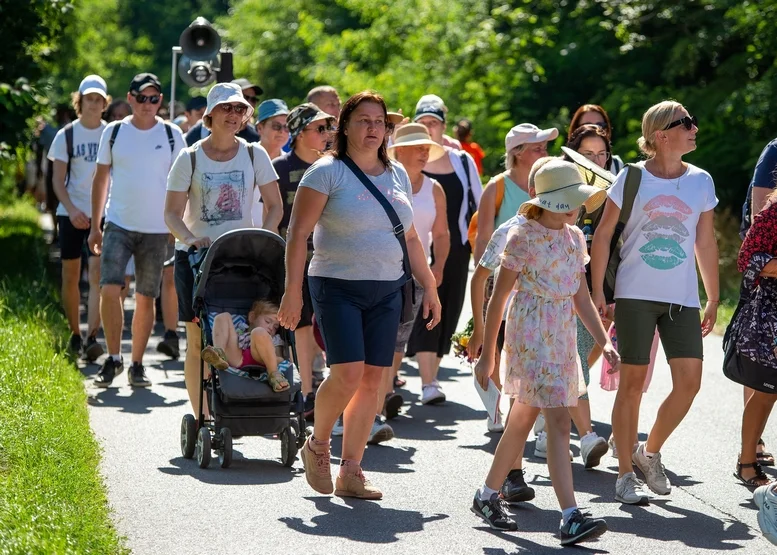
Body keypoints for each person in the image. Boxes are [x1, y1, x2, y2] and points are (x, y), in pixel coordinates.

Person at [278, 91, 441, 500]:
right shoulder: (326, 172)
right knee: (348, 373)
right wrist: (292, 294)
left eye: (380, 122)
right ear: (345, 126)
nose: (373, 129)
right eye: (364, 121)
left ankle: (352, 470)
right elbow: (298, 235)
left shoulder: (398, 174)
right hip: (336, 286)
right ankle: (317, 444)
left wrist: (431, 285)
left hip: (388, 288)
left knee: (373, 380)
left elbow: (410, 236)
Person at [471, 159, 616, 545]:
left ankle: (487, 494)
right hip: (530, 336)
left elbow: (580, 295)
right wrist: (487, 353)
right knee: (556, 423)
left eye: (578, 200)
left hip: (562, 337)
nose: (576, 207)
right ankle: (569, 515)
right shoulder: (523, 235)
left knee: (523, 422)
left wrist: (603, 341)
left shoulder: (574, 238)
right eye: (569, 200)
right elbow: (498, 297)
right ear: (548, 201)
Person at [590, 101, 719, 504]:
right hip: (634, 294)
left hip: (682, 298)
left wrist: (713, 295)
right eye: (687, 122)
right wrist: (597, 292)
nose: (695, 127)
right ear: (662, 135)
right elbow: (603, 235)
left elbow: (705, 241)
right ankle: (625, 474)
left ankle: (648, 452)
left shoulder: (701, 181)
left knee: (689, 383)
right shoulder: (630, 178)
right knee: (630, 386)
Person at [164, 82, 283, 419]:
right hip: (196, 258)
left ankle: (240, 404)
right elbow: (171, 213)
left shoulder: (253, 153)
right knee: (197, 339)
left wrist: (265, 235)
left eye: (239, 109)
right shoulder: (189, 157)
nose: (234, 114)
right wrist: (191, 239)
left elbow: (275, 206)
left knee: (242, 334)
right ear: (210, 114)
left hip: (241, 260)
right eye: (226, 108)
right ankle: (201, 416)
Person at [88, 73, 186, 388]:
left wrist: (178, 225)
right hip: (117, 223)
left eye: (154, 98)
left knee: (146, 297)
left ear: (160, 101)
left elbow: (183, 183)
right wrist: (95, 225)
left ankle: (137, 364)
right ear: (130, 98)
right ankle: (114, 358)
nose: (148, 104)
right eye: (141, 97)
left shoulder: (172, 134)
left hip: (158, 229)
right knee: (109, 288)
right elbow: (101, 179)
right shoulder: (114, 132)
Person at [371, 123, 449, 435]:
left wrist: (437, 266)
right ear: (397, 150)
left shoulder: (435, 189)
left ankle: (380, 400)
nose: (423, 152)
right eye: (417, 146)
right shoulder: (382, 182)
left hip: (417, 274)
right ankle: (370, 410)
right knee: (379, 341)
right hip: (382, 270)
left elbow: (441, 233)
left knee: (398, 342)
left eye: (426, 147)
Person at [406, 93, 481, 405]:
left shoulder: (462, 160)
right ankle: (429, 382)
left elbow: (479, 203)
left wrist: (482, 249)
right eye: (422, 123)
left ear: (443, 126)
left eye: (433, 123)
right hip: (418, 245)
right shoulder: (405, 161)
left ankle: (431, 376)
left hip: (457, 247)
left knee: (448, 310)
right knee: (423, 308)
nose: (428, 128)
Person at [273, 102, 336, 419]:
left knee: (329, 326)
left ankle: (329, 388)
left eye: (328, 128)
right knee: (299, 324)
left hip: (331, 260)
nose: (327, 134)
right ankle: (308, 393)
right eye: (319, 128)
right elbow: (271, 218)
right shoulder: (280, 168)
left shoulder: (334, 167)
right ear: (299, 133)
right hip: (296, 261)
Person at [49, 75, 110, 361]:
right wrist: (72, 210)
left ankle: (93, 335)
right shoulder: (67, 135)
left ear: (104, 103)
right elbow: (58, 181)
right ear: (80, 102)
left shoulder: (112, 133)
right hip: (70, 213)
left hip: (103, 214)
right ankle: (75, 333)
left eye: (99, 99)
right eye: (89, 99)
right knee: (71, 275)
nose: (94, 104)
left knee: (98, 274)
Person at [727, 190, 777, 487]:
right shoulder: (773, 213)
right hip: (773, 313)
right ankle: (747, 461)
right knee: (768, 390)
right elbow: (747, 258)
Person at [741, 136, 777, 465]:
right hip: (769, 291)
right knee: (766, 379)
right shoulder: (775, 150)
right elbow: (758, 229)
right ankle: (749, 450)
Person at [201, 300, 290, 392]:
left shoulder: (275, 338)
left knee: (259, 332)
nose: (271, 328)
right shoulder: (241, 328)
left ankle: (274, 374)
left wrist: (270, 356)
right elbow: (231, 338)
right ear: (252, 317)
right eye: (267, 321)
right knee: (223, 316)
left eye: (275, 327)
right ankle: (218, 354)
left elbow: (279, 358)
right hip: (237, 357)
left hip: (260, 359)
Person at [185, 78, 261, 146]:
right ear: (212, 110)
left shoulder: (255, 142)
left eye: (253, 99)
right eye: (226, 107)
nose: (250, 102)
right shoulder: (199, 133)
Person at [254, 99, 290, 227]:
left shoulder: (288, 164)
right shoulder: (246, 157)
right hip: (243, 238)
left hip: (277, 239)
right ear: (260, 128)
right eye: (276, 126)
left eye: (287, 127)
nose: (282, 131)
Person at [568, 104, 624, 173]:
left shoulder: (617, 165)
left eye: (600, 125)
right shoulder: (560, 166)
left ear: (607, 130)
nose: (595, 129)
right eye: (587, 126)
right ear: (575, 131)